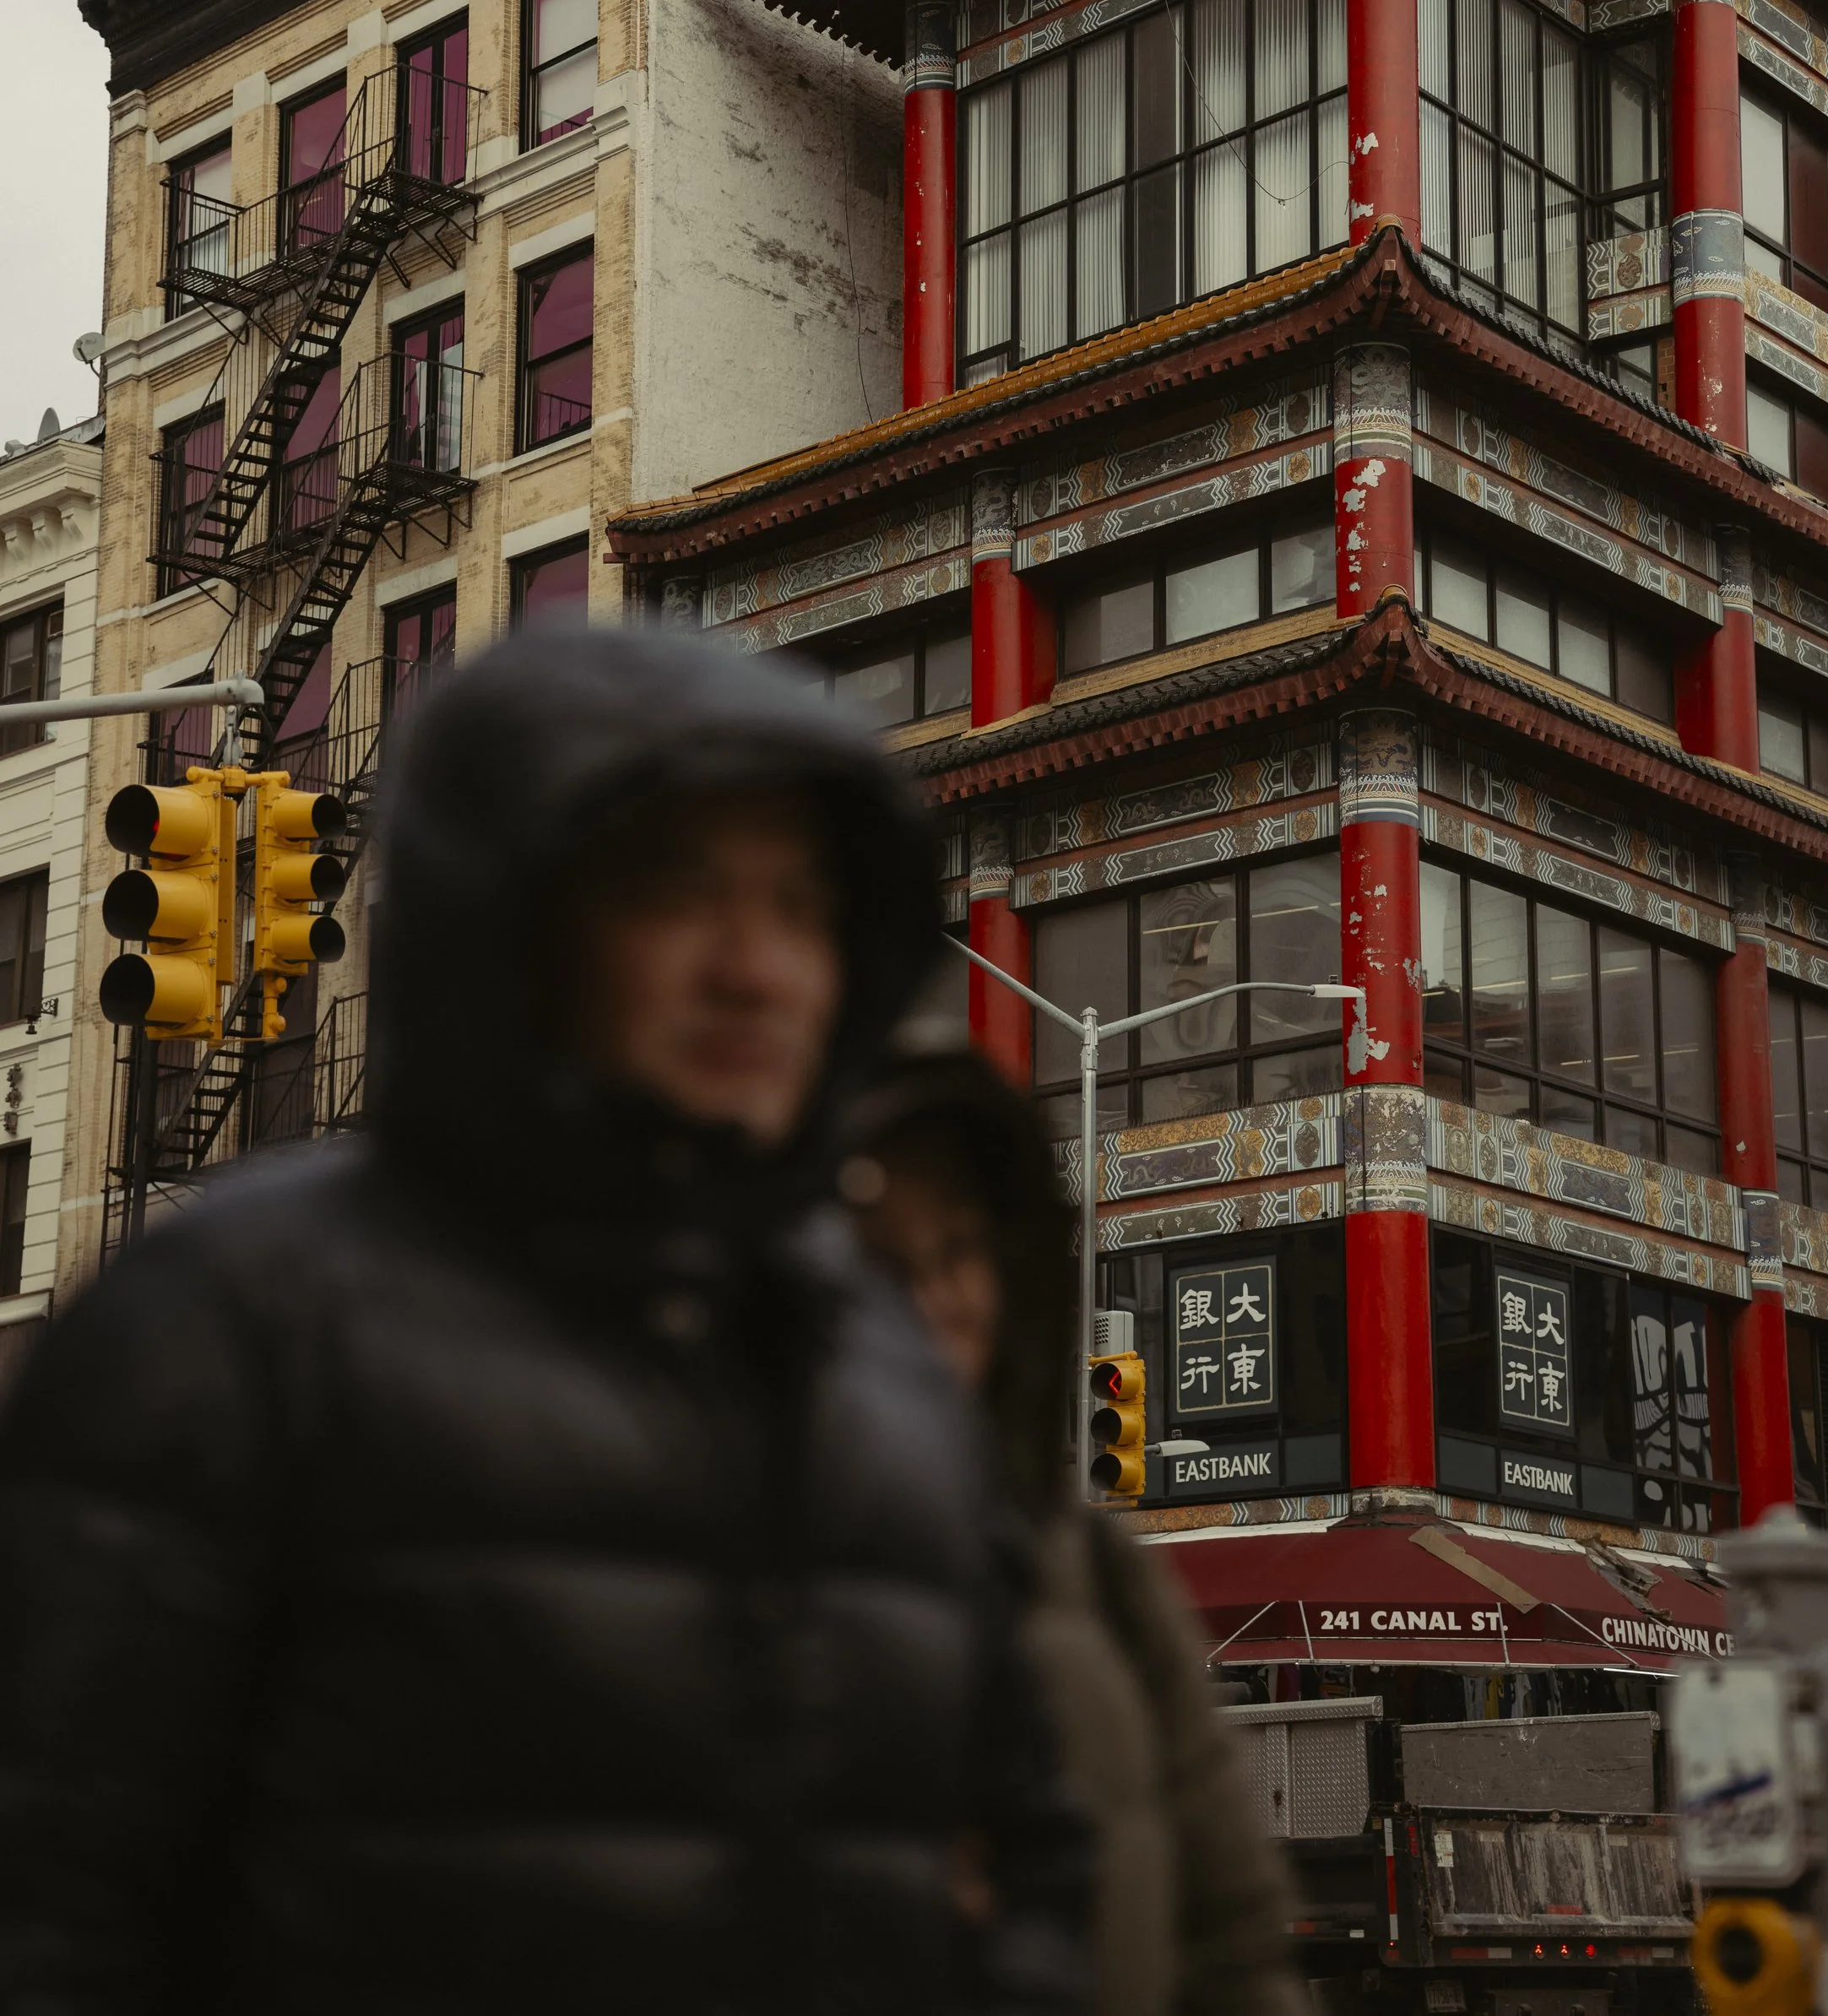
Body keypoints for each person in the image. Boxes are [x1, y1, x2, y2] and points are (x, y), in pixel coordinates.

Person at [0, 626, 1088, 2014]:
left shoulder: (884, 1366)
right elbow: (52, 1905)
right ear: (516, 922)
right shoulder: (227, 1324)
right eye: (677, 888)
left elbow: (1034, 1856)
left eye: (806, 904)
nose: (759, 967)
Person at [847, 1051, 1304, 2016]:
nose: (934, 1302)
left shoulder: (1095, 1576)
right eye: (884, 1267)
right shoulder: (701, 1560)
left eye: (957, 1253)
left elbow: (1232, 1937)